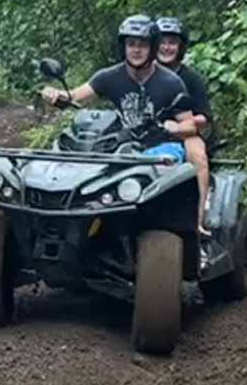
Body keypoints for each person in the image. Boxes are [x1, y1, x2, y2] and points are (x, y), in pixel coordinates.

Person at [42, 14, 210, 235]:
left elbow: (190, 125)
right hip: (118, 147)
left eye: (142, 45)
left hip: (159, 148)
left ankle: (195, 223)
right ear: (123, 47)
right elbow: (74, 96)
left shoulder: (171, 82)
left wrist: (175, 128)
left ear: (152, 48)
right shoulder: (109, 76)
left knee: (177, 173)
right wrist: (55, 94)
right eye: (131, 44)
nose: (136, 50)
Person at [156, 17, 213, 234]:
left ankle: (197, 221)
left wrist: (181, 126)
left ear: (180, 47)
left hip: (184, 134)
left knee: (197, 154)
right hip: (145, 133)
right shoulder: (143, 73)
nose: (166, 47)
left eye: (172, 42)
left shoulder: (190, 78)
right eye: (162, 41)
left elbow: (203, 117)